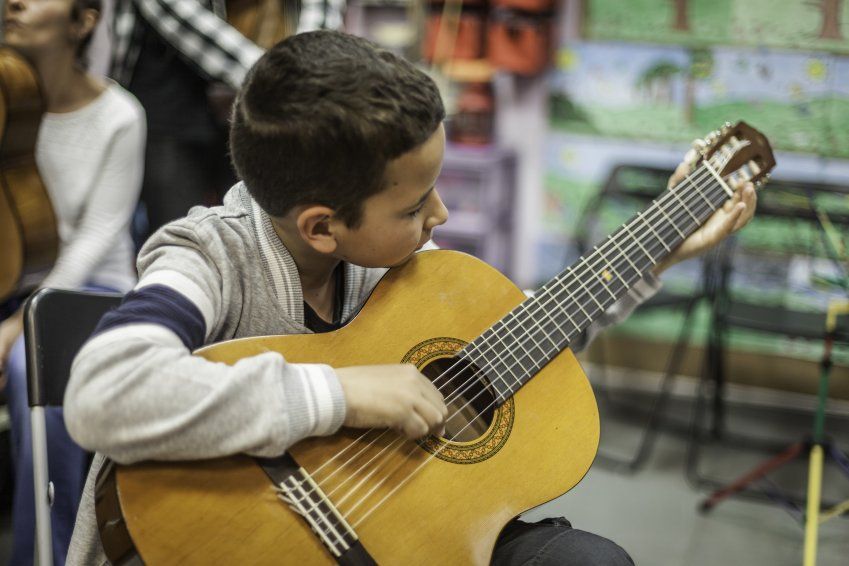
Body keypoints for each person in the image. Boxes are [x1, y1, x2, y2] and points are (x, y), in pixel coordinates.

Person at [63, 31, 756, 565]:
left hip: (398, 526)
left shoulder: (394, 263)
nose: (440, 216)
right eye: (414, 206)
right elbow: (104, 392)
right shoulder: (207, 257)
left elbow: (522, 332)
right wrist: (343, 394)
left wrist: (662, 245)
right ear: (322, 227)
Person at [0, 0, 146, 563]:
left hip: (89, 292)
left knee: (31, 371)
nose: (16, 2)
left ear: (83, 22)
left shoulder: (119, 115)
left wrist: (18, 324)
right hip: (12, 284)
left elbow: (97, 235)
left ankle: (46, 554)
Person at [109, 0, 345, 239]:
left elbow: (321, 9)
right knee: (179, 231)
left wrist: (301, 68)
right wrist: (283, 79)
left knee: (260, 230)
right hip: (174, 96)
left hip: (264, 100)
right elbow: (179, 14)